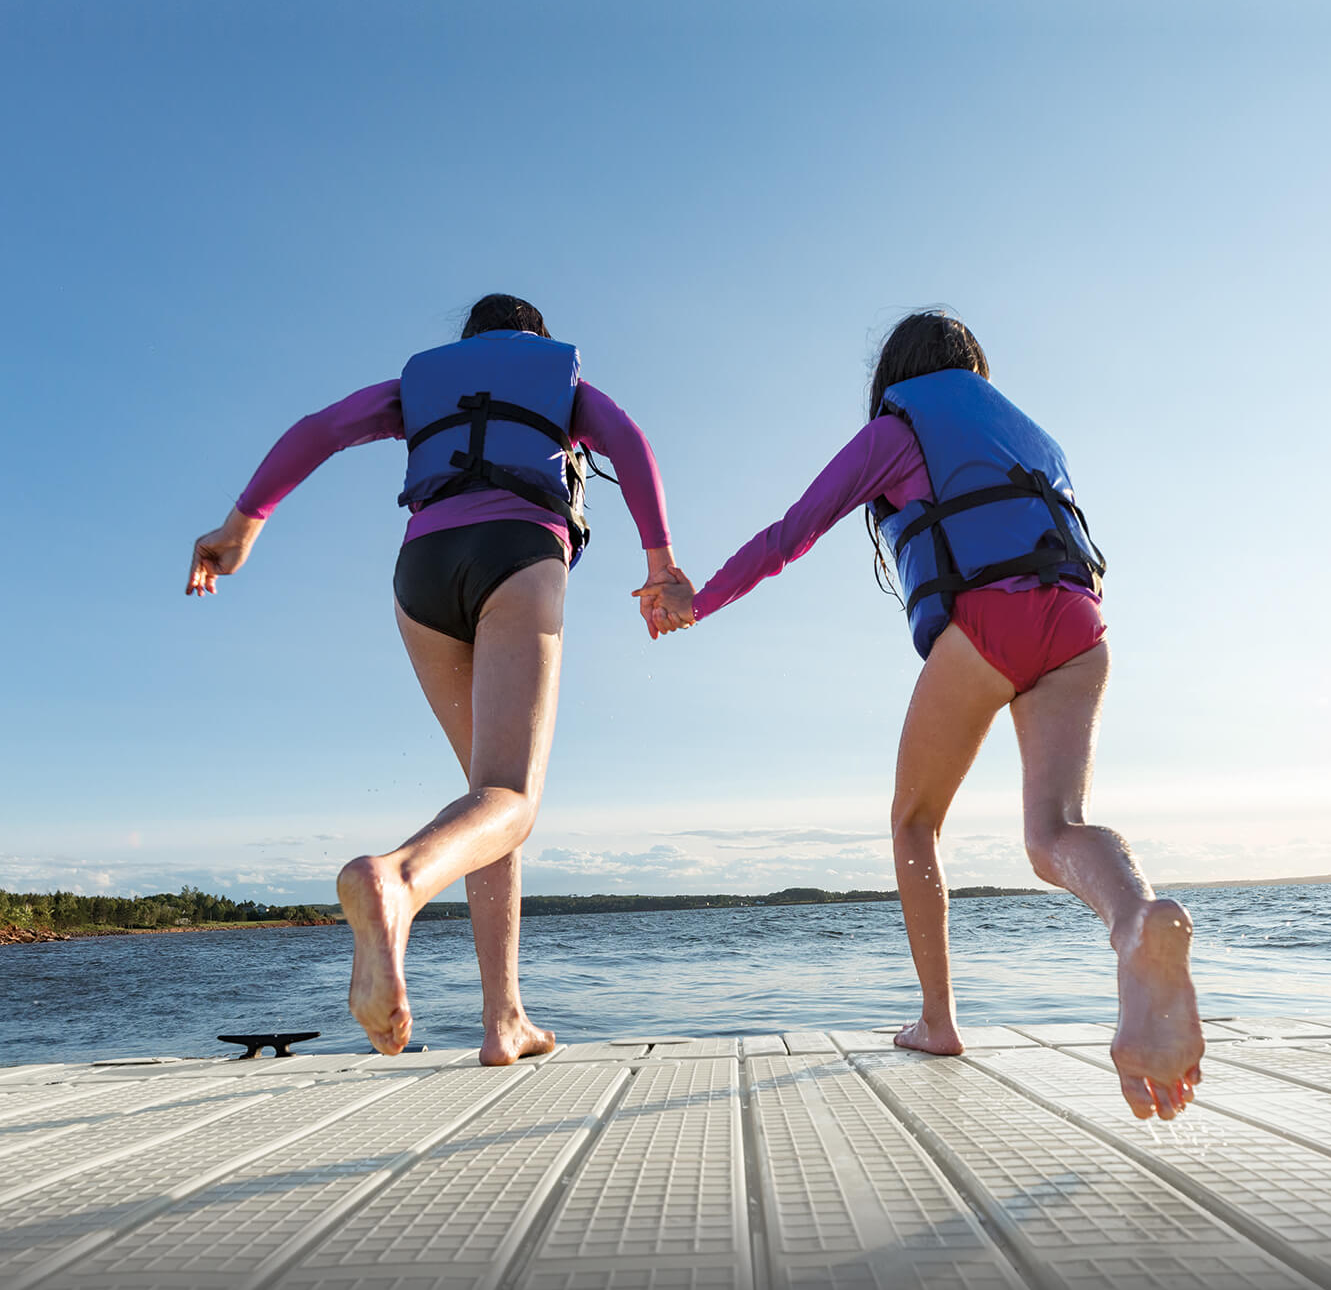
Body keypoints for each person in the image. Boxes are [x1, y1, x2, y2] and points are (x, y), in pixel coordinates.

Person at [638, 309, 1204, 1119]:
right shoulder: (1033, 434)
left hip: (990, 620)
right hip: (1080, 626)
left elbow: (788, 535)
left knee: (914, 821)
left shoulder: (897, 428)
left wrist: (699, 599)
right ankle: (1135, 919)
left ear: (896, 372)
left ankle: (939, 1022)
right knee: (1056, 832)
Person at [188, 294, 680, 1065]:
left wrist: (241, 525)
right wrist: (660, 565)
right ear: (535, 341)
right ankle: (397, 882)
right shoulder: (562, 387)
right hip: (516, 553)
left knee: (485, 802)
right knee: (512, 800)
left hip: (421, 574)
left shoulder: (417, 388)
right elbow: (626, 438)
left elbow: (318, 431)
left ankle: (504, 1019)